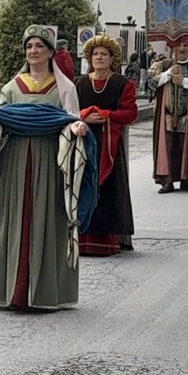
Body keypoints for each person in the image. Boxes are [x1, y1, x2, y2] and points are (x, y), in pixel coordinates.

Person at [0, 24, 97, 310]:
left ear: (50, 52)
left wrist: (77, 128)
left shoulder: (64, 88)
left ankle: (45, 291)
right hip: (13, 160)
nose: (33, 51)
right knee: (10, 219)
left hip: (49, 161)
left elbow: (71, 121)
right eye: (29, 46)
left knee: (46, 218)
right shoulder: (13, 87)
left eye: (39, 46)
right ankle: (9, 289)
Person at [76, 35, 137, 255]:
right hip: (82, 142)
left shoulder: (122, 84)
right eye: (95, 54)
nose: (99, 57)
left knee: (109, 189)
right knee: (82, 186)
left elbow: (130, 113)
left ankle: (108, 241)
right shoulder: (79, 83)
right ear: (90, 58)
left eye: (104, 54)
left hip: (110, 145)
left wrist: (104, 115)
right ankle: (81, 239)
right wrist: (84, 116)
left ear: (112, 58)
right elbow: (69, 111)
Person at [148, 37, 188, 193]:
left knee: (185, 146)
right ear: (172, 47)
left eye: (185, 45)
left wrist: (184, 81)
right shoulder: (163, 65)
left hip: (187, 115)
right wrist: (168, 74)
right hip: (166, 115)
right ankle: (167, 181)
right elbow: (151, 82)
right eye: (178, 45)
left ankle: (185, 179)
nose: (181, 49)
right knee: (166, 146)